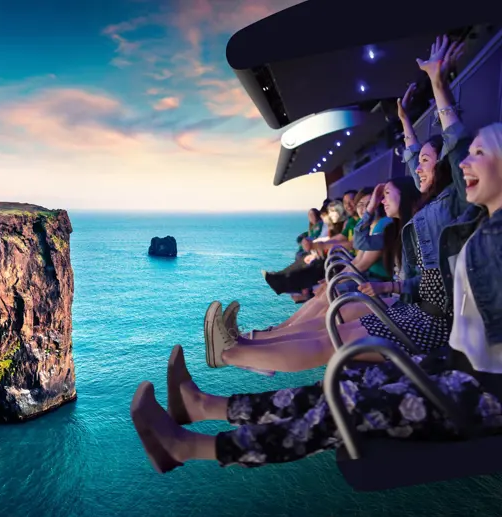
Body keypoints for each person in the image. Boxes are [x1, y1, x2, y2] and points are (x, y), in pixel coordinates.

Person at [130, 119, 502, 473]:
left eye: (479, 153)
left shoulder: (486, 235)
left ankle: (188, 445)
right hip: (454, 364)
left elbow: (449, 162)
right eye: (467, 153)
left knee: (345, 402)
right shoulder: (474, 230)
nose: (465, 160)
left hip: (484, 392)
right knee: (339, 386)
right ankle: (204, 405)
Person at [206, 35, 471, 373]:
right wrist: (404, 120)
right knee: (331, 325)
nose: (417, 165)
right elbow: (411, 157)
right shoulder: (429, 202)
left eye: (426, 161)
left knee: (330, 335)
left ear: (447, 168)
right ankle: (247, 343)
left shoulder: (454, 204)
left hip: (432, 323)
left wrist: (438, 85)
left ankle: (231, 354)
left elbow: (457, 144)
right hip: (412, 307)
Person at [238, 183, 404, 339]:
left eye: (367, 204)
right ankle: (281, 329)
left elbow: (362, 263)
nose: (362, 208)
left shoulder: (383, 224)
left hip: (374, 282)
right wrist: (330, 281)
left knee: (328, 294)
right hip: (366, 278)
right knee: (324, 293)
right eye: (360, 204)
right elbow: (358, 260)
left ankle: (282, 333)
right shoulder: (373, 225)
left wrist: (332, 282)